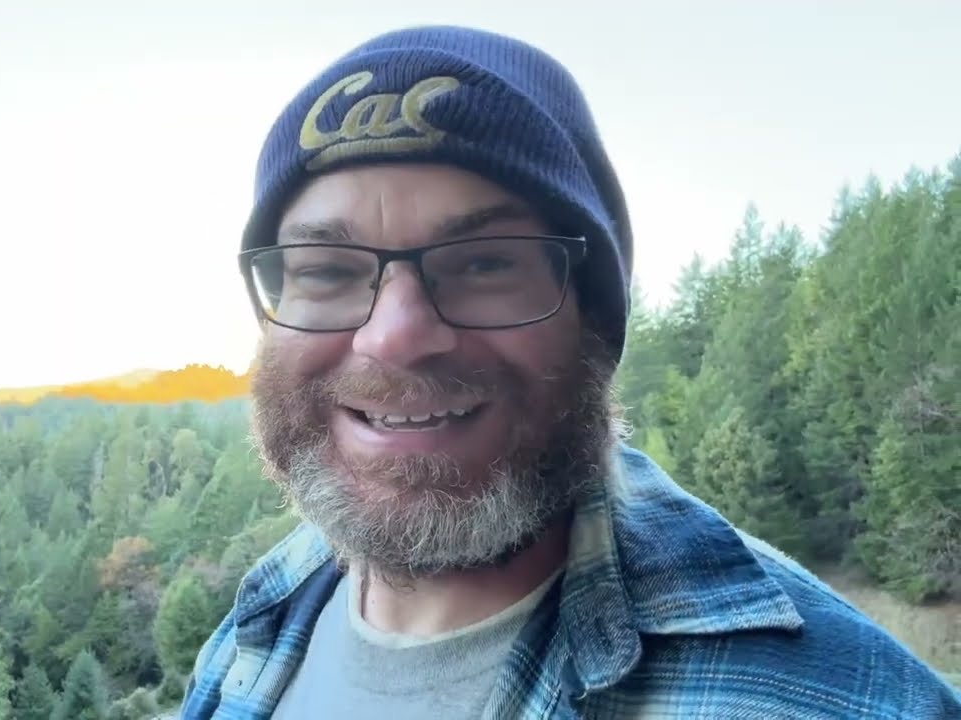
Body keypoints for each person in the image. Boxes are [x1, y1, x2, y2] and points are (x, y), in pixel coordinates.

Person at [178, 25, 961, 720]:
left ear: (593, 319)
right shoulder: (265, 617)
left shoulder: (846, 702)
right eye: (326, 270)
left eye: (484, 263)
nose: (396, 337)